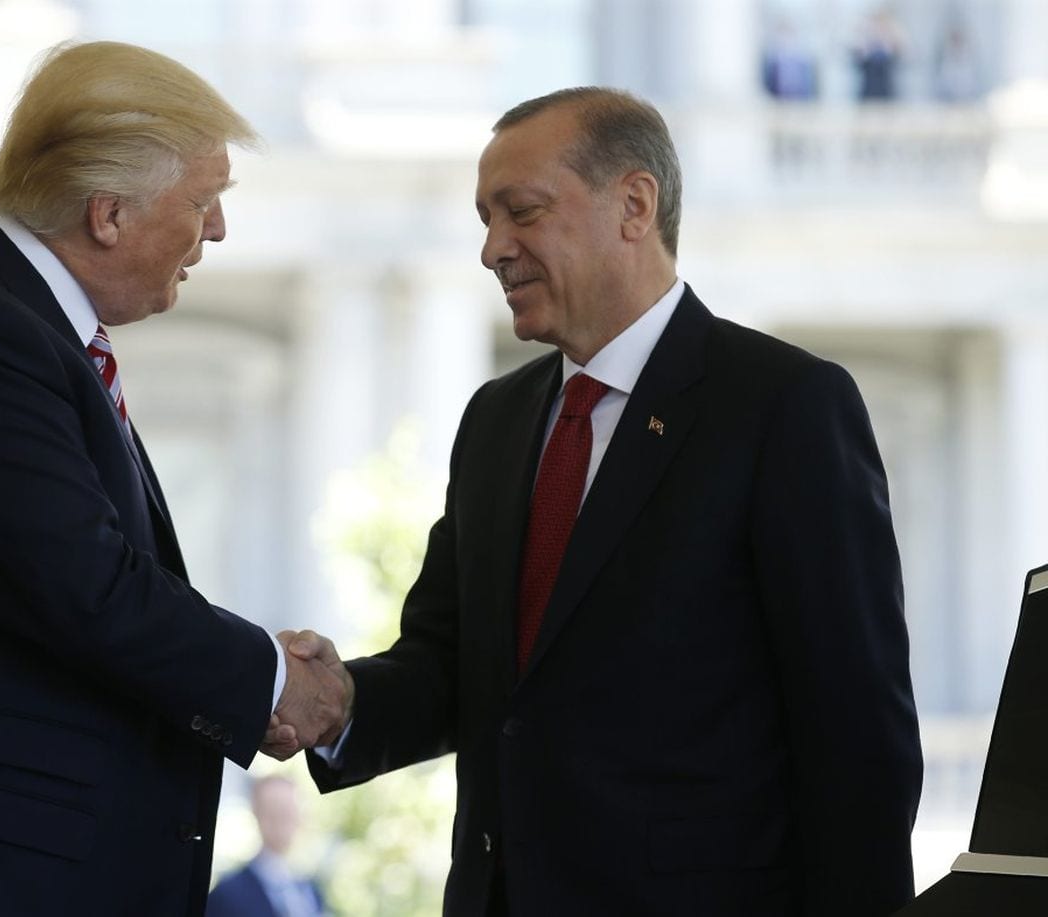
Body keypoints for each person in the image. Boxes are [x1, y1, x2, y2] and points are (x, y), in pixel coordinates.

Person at [283, 88, 922, 915]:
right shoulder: (496, 420)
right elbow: (452, 665)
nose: (491, 249)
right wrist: (339, 704)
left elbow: (857, 739)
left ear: (634, 204)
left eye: (521, 212)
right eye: (484, 218)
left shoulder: (782, 406)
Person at [0, 41, 346, 917]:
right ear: (108, 213)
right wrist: (269, 677)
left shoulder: (21, 323)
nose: (217, 231)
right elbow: (84, 583)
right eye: (204, 201)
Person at [206, 776, 326, 917]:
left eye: (289, 810)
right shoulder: (227, 894)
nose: (283, 819)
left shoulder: (312, 891)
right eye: (275, 809)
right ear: (257, 814)